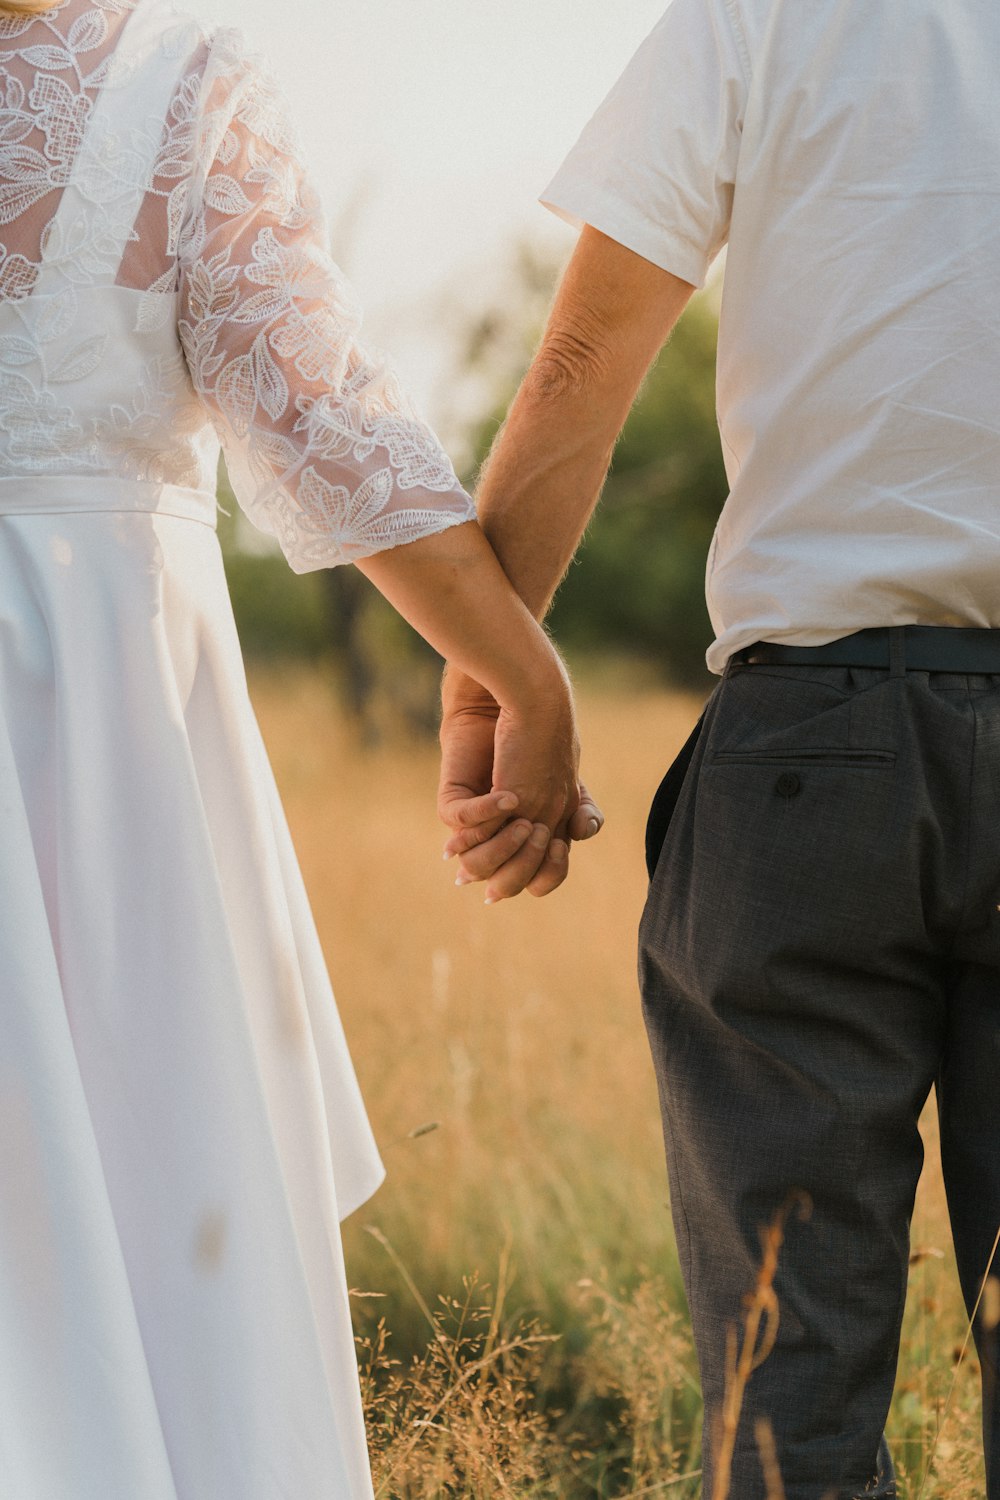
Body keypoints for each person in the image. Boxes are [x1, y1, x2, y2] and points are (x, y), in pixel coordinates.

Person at [0, 0, 586, 1495]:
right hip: (93, 723)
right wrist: (524, 676)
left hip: (92, 705)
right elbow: (316, 410)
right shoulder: (176, 80)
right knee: (140, 1220)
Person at [440, 0, 1000, 1495]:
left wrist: (495, 679)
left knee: (784, 1396)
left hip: (812, 744)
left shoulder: (755, 17)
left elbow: (583, 362)